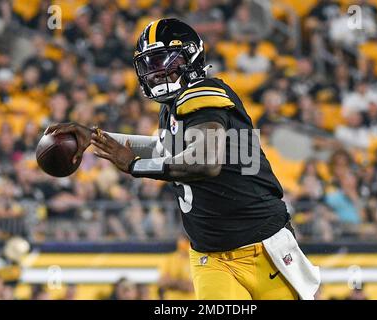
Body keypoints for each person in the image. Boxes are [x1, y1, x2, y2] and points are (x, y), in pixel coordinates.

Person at [45, 18, 320, 300]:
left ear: (190, 56)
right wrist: (94, 136)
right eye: (149, 65)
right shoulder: (172, 108)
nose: (155, 72)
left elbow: (204, 162)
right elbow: (167, 150)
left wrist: (135, 166)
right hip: (210, 257)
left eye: (163, 61)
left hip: (264, 247)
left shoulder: (204, 92)